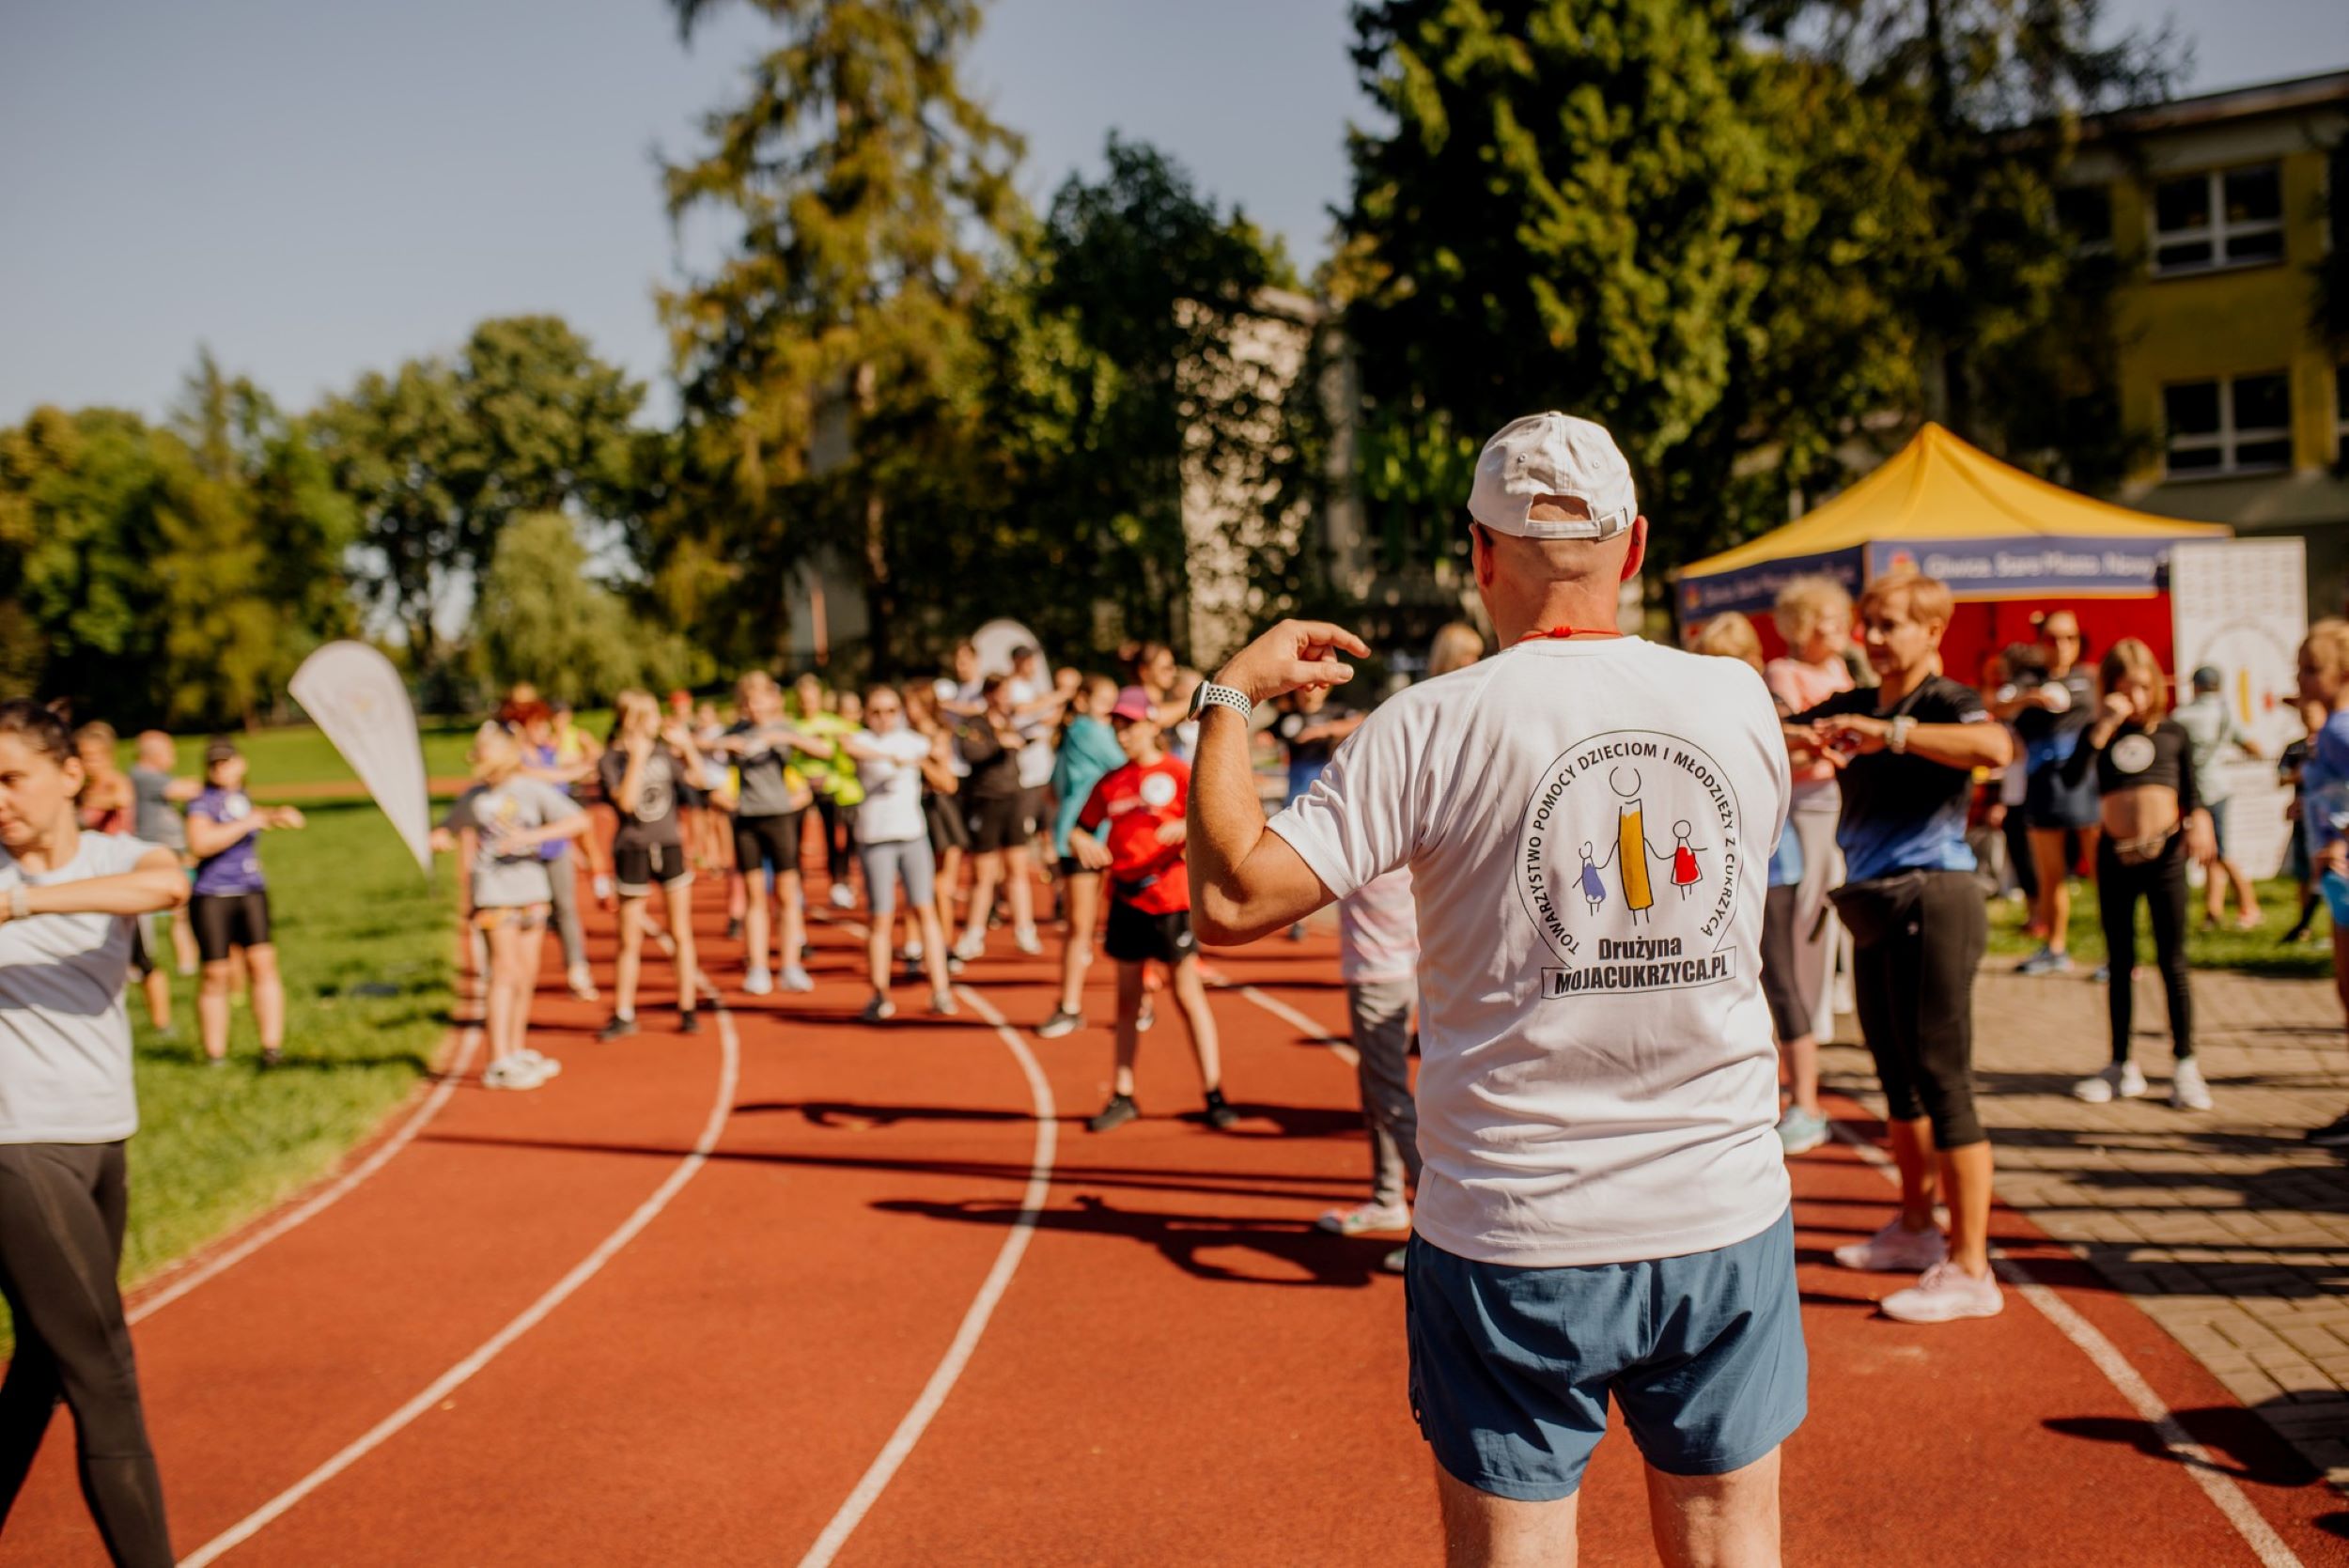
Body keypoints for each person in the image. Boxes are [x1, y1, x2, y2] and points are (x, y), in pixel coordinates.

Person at [1188, 412, 1801, 1562]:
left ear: (1478, 554)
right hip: (1720, 1204)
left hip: (1517, 1222)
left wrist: (1228, 696)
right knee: (1732, 1539)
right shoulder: (1737, 702)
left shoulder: (1426, 724)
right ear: (1635, 548)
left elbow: (1228, 903)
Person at [1788, 569, 2015, 1325]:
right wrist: (1805, 734)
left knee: (1946, 1084)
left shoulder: (1943, 700)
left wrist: (1894, 734)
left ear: (1932, 631)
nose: (1874, 639)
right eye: (1870, 625)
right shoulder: (1854, 700)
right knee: (1898, 1080)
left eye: (1890, 625)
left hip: (1937, 898)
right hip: (1875, 905)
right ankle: (1917, 1227)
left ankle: (1973, 1266)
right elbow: (1783, 731)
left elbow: (1995, 746)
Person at [0, 700, 184, 1567]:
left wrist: (23, 903)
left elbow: (166, 883)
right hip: (16, 1142)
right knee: (104, 1371)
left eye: (11, 778)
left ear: (70, 774)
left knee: (42, 1365)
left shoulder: (115, 856)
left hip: (103, 1133)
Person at [2058, 640, 2217, 1110]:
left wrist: (2200, 818)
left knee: (2173, 960)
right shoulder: (2099, 736)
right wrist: (2104, 724)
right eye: (2125, 690)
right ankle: (2120, 1064)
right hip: (2115, 856)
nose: (2136, 698)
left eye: (2143, 687)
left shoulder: (2172, 732)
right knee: (2120, 960)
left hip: (2164, 854)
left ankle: (2185, 1064)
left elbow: (2192, 788)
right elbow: (2070, 780)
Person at [1072, 688, 1236, 1134]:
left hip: (1168, 900)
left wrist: (1182, 827)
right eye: (1118, 726)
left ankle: (1214, 1091)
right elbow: (1080, 829)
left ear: (1152, 725)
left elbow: (1215, 819)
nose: (1123, 734)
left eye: (1131, 725)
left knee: (1186, 994)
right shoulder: (1112, 782)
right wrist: (1082, 843)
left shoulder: (1179, 773)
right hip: (1125, 899)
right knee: (1127, 1000)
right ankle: (1123, 1093)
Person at [1764, 578, 1856, 1155]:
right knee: (1800, 929)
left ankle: (1813, 1032)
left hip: (1842, 806)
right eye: (1822, 619)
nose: (1834, 629)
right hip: (1803, 809)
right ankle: (1805, 1040)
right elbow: (1790, 740)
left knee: (1827, 918)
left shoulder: (1842, 669)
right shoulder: (1781, 673)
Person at [456, 725, 590, 1089]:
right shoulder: (474, 799)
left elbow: (579, 819)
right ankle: (497, 1060)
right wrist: (437, 837)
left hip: (532, 890)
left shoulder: (531, 790)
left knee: (526, 972)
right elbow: (450, 828)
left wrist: (533, 837)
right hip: (494, 895)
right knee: (504, 971)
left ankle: (514, 1049)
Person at [837, 686, 958, 1020]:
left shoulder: (914, 742)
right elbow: (849, 748)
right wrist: (891, 758)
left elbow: (948, 783)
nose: (884, 718)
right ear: (866, 714)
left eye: (890, 711)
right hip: (875, 838)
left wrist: (924, 762)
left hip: (912, 836)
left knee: (924, 910)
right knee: (881, 917)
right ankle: (879, 992)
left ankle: (941, 990)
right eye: (876, 711)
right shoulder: (862, 739)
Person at [184, 737, 302, 1067]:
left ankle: (271, 1048)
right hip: (212, 896)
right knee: (216, 974)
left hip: (250, 891)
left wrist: (279, 814)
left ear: (241, 764)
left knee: (262, 964)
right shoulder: (201, 803)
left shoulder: (242, 799)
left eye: (227, 761)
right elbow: (200, 843)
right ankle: (215, 1054)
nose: (221, 768)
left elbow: (258, 818)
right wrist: (248, 823)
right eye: (215, 764)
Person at [597, 691, 706, 1041]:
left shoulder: (665, 754)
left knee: (681, 930)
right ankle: (624, 1011)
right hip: (633, 850)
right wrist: (638, 758)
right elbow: (626, 803)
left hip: (670, 845)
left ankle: (687, 1006)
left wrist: (687, 748)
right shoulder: (611, 760)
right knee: (629, 936)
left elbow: (701, 782)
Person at [1997, 610, 2099, 974]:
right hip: (2041, 782)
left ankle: (2117, 953)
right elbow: (1994, 708)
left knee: (2103, 871)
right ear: (2041, 643)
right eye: (2053, 639)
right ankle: (2055, 947)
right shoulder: (2026, 683)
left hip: (2086, 781)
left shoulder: (2091, 679)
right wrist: (2029, 699)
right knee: (2050, 874)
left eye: (2069, 638)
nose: (2061, 646)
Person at [718, 672, 828, 996]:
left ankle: (791, 966)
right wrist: (726, 744)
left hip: (780, 817)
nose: (755, 706)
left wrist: (786, 740)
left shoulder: (783, 729)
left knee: (787, 893)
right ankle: (758, 967)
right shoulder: (735, 732)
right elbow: (704, 748)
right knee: (754, 895)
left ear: (772, 701)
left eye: (761, 698)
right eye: (749, 700)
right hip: (747, 819)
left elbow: (822, 750)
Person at [1038, 675, 1127, 1038]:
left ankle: (1075, 1005)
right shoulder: (1088, 730)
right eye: (1102, 699)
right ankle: (1070, 1005)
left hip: (1104, 834)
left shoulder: (1077, 733)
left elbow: (1053, 788)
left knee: (1109, 926)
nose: (1109, 707)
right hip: (1088, 836)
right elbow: (1125, 763)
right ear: (1083, 702)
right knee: (1083, 926)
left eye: (1113, 699)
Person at [73, 725, 173, 1037]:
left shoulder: (116, 783)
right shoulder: (78, 791)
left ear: (108, 757)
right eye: (83, 757)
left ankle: (162, 1024)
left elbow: (117, 800)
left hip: (121, 883)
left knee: (142, 958)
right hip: (86, 882)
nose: (89, 764)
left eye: (94, 757)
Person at [2294, 623, 2349, 1147]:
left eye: (2313, 668)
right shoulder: (2329, 727)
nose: (2303, 678)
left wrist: (2345, 837)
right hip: (2333, 879)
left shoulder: (2341, 728)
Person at [511, 703, 599, 1003]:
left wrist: (586, 758)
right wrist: (574, 768)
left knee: (566, 908)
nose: (545, 731)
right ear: (522, 728)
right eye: (538, 726)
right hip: (524, 852)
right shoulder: (514, 759)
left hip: (556, 844)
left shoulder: (550, 754)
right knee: (528, 914)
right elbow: (541, 777)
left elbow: (570, 770)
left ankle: (578, 970)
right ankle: (514, 978)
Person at [951, 676, 1040, 960]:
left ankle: (1025, 928)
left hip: (1014, 799)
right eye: (1002, 693)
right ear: (989, 694)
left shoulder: (1014, 720)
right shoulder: (976, 724)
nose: (1007, 699)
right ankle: (974, 933)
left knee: (1017, 868)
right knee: (983, 873)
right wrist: (998, 743)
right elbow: (969, 753)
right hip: (986, 802)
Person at [2172, 664, 2265, 931]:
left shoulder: (2181, 716)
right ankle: (2213, 912)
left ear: (2196, 686)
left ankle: (2249, 905)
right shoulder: (2225, 713)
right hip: (2218, 787)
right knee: (2214, 852)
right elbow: (2251, 745)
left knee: (2220, 852)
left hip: (2194, 792)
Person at [1272, 684, 1365, 940]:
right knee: (1300, 854)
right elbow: (1268, 735)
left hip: (1326, 789)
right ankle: (1300, 916)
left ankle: (1354, 912)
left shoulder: (1335, 711)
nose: (1309, 692)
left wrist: (1323, 731)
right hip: (1297, 791)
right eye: (1303, 688)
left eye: (1315, 688)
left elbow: (1361, 720)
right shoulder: (1287, 717)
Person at [127, 733, 202, 981]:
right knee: (142, 910)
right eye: (169, 752)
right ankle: (142, 962)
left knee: (180, 909)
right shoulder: (142, 775)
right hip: (152, 854)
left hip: (174, 854)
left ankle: (186, 963)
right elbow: (181, 790)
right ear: (153, 754)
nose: (173, 758)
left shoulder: (155, 776)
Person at [906, 682, 969, 965]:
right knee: (915, 885)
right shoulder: (902, 737)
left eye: (911, 704)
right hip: (910, 813)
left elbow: (948, 783)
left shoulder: (938, 737)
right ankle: (914, 944)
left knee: (942, 886)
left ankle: (944, 944)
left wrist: (922, 762)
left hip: (939, 814)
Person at [791, 675, 864, 908]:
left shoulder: (835, 724)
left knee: (835, 840)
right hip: (799, 790)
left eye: (812, 699)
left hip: (830, 789)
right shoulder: (791, 726)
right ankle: (796, 889)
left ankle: (838, 884)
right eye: (804, 700)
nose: (808, 704)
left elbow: (851, 747)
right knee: (794, 841)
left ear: (820, 699)